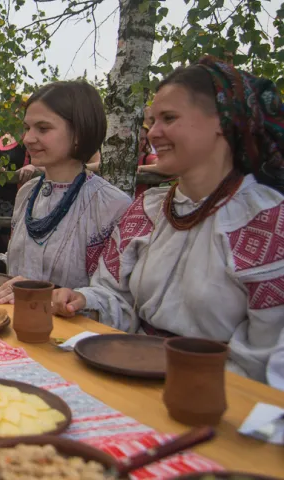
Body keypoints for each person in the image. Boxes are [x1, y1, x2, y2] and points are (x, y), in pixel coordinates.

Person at [53, 58, 284, 390]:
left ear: (221, 121)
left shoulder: (267, 221)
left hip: (213, 398)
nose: (154, 132)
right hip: (127, 373)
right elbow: (115, 297)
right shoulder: (148, 209)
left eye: (169, 119)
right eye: (152, 120)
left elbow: (268, 360)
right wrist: (83, 300)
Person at [0, 80, 132, 304]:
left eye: (43, 128)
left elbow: (119, 302)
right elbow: (21, 264)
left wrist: (65, 298)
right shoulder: (27, 193)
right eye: (27, 128)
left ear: (79, 132)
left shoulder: (111, 205)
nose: (27, 138)